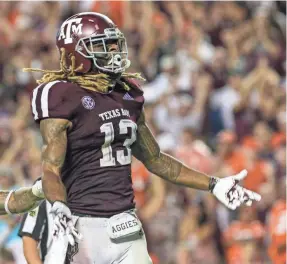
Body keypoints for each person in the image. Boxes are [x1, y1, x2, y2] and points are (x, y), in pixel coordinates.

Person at [25, 12, 261, 264]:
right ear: (76, 52)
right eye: (102, 45)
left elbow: (156, 159)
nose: (113, 51)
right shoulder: (59, 95)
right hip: (79, 225)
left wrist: (214, 184)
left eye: (114, 44)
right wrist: (58, 207)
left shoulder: (127, 94)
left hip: (125, 224)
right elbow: (50, 167)